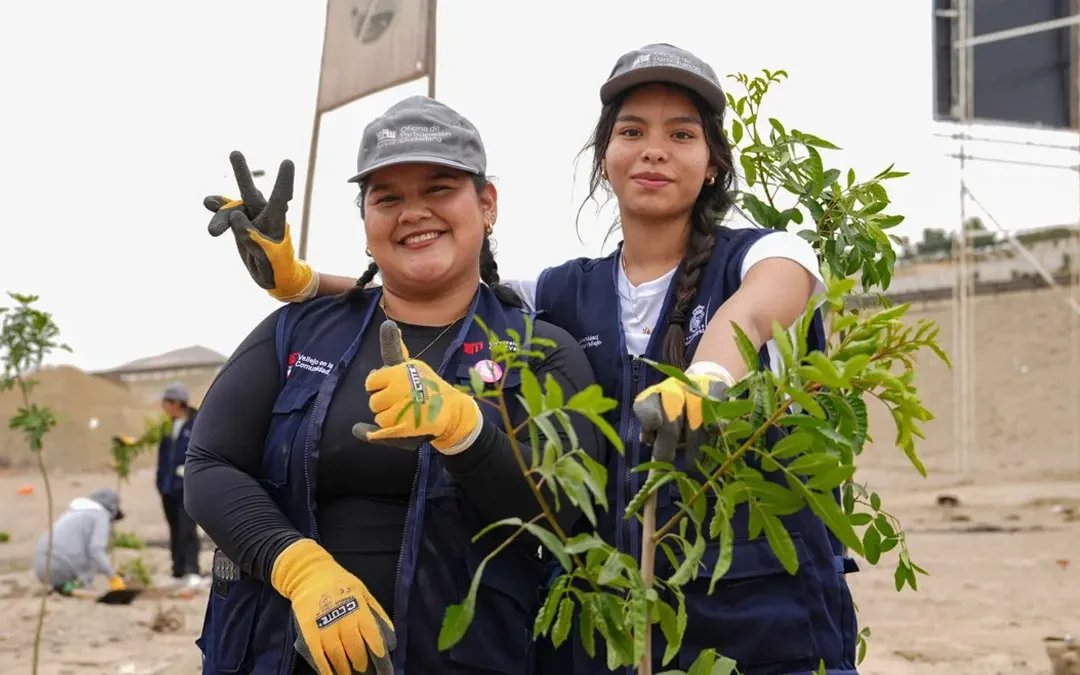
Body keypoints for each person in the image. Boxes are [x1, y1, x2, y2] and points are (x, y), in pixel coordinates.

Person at [206, 45, 860, 675]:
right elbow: (428, 286)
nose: (654, 149)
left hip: (763, 620)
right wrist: (302, 282)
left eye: (682, 134)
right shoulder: (561, 293)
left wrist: (709, 377)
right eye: (631, 131)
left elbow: (752, 310)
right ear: (605, 157)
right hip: (616, 623)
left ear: (714, 161)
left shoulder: (766, 254)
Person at [185, 96, 604, 675]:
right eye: (388, 197)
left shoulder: (539, 351)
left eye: (438, 189)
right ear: (365, 225)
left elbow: (569, 510)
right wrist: (300, 567)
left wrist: (467, 432)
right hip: (280, 655)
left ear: (487, 205)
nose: (413, 212)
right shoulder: (297, 331)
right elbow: (209, 464)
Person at [33, 488, 127, 595]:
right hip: (62, 568)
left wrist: (113, 570)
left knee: (90, 560)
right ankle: (72, 588)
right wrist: (113, 576)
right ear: (112, 509)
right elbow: (96, 550)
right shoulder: (100, 515)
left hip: (41, 567)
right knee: (92, 563)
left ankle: (62, 588)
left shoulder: (73, 512)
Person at [157, 382, 203, 589]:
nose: (163, 406)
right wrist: (160, 482)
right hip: (168, 487)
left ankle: (192, 570)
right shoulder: (168, 426)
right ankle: (177, 570)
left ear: (177, 402)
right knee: (174, 529)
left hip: (187, 487)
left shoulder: (197, 424)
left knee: (187, 529)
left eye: (166, 402)